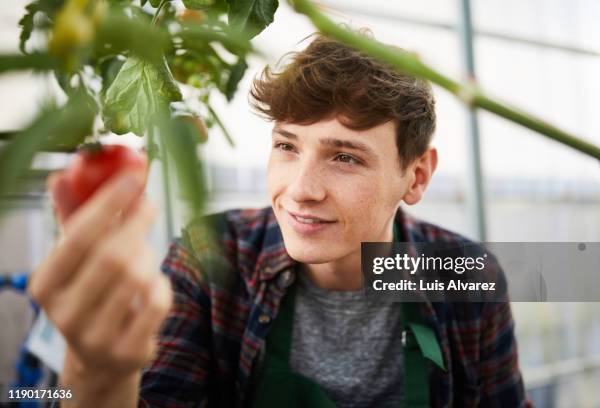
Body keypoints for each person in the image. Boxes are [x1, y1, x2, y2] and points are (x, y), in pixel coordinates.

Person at [29, 33, 531, 407]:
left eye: (345, 158)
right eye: (287, 146)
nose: (300, 191)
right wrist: (97, 374)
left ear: (416, 176)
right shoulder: (214, 255)